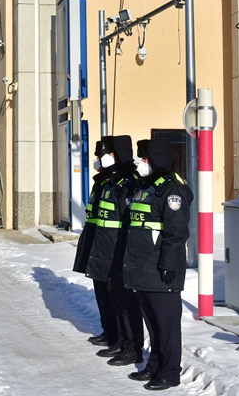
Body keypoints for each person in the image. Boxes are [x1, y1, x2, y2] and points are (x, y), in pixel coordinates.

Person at [123, 138, 193, 391]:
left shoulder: (170, 190)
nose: (141, 163)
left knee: (167, 326)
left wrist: (168, 266)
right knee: (153, 325)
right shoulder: (146, 187)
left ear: (157, 160)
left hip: (161, 270)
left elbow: (176, 234)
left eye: (145, 158)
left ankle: (170, 372)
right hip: (143, 267)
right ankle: (154, 365)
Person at [86, 135, 144, 366]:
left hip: (117, 249)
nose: (99, 159)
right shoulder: (107, 180)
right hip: (103, 246)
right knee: (109, 296)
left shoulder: (127, 181)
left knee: (124, 302)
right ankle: (116, 337)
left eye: (104, 155)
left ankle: (128, 344)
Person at [72, 140, 118, 347]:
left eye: (103, 156)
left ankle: (117, 336)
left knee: (113, 295)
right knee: (101, 292)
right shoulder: (100, 181)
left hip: (111, 246)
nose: (99, 160)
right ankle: (108, 331)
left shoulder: (121, 182)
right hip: (96, 243)